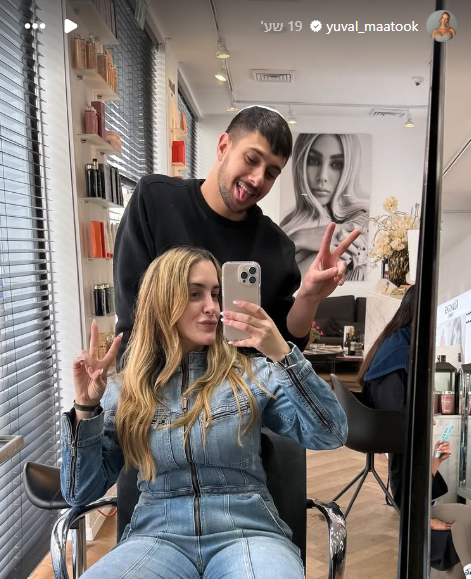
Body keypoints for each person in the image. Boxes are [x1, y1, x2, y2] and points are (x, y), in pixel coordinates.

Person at [61, 246, 348, 579]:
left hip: (247, 534)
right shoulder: (126, 390)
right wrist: (86, 407)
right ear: (162, 302)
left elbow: (331, 434)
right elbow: (79, 492)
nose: (212, 307)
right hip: (156, 537)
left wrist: (283, 356)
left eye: (215, 294)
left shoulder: (251, 376)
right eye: (195, 294)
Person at [113, 106, 361, 369]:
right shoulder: (155, 201)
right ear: (223, 147)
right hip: (158, 380)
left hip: (240, 389)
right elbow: (132, 317)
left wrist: (309, 298)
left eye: (270, 173)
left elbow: (286, 344)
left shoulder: (277, 247)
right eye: (252, 159)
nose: (257, 179)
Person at [358, 285, 471, 578]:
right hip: (387, 429)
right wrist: (416, 515)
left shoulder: (398, 343)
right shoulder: (399, 351)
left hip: (390, 428)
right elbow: (400, 435)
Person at [280, 133, 369, 281]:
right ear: (301, 164)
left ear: (349, 169)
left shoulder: (361, 222)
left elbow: (290, 282)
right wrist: (298, 238)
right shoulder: (291, 223)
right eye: (313, 161)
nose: (322, 176)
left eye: (336, 164)